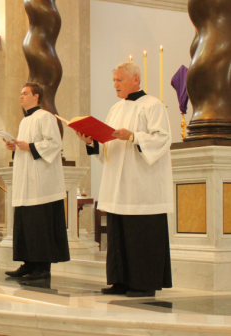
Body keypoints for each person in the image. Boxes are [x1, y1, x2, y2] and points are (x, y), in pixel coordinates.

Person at [77, 62, 173, 298]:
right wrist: (91, 141)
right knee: (118, 233)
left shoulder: (153, 105)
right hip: (117, 182)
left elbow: (163, 139)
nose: (115, 85)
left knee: (141, 234)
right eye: (114, 81)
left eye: (119, 80)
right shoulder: (115, 109)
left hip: (142, 183)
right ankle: (120, 281)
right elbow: (107, 145)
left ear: (136, 80)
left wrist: (133, 136)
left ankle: (143, 283)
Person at [4, 83, 70, 280]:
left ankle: (42, 267)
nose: (21, 97)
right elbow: (26, 147)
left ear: (36, 96)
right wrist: (16, 147)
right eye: (20, 93)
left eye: (25, 93)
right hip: (26, 181)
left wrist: (28, 146)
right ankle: (28, 263)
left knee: (40, 224)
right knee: (26, 223)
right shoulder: (25, 121)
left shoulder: (46, 117)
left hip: (41, 182)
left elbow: (54, 144)